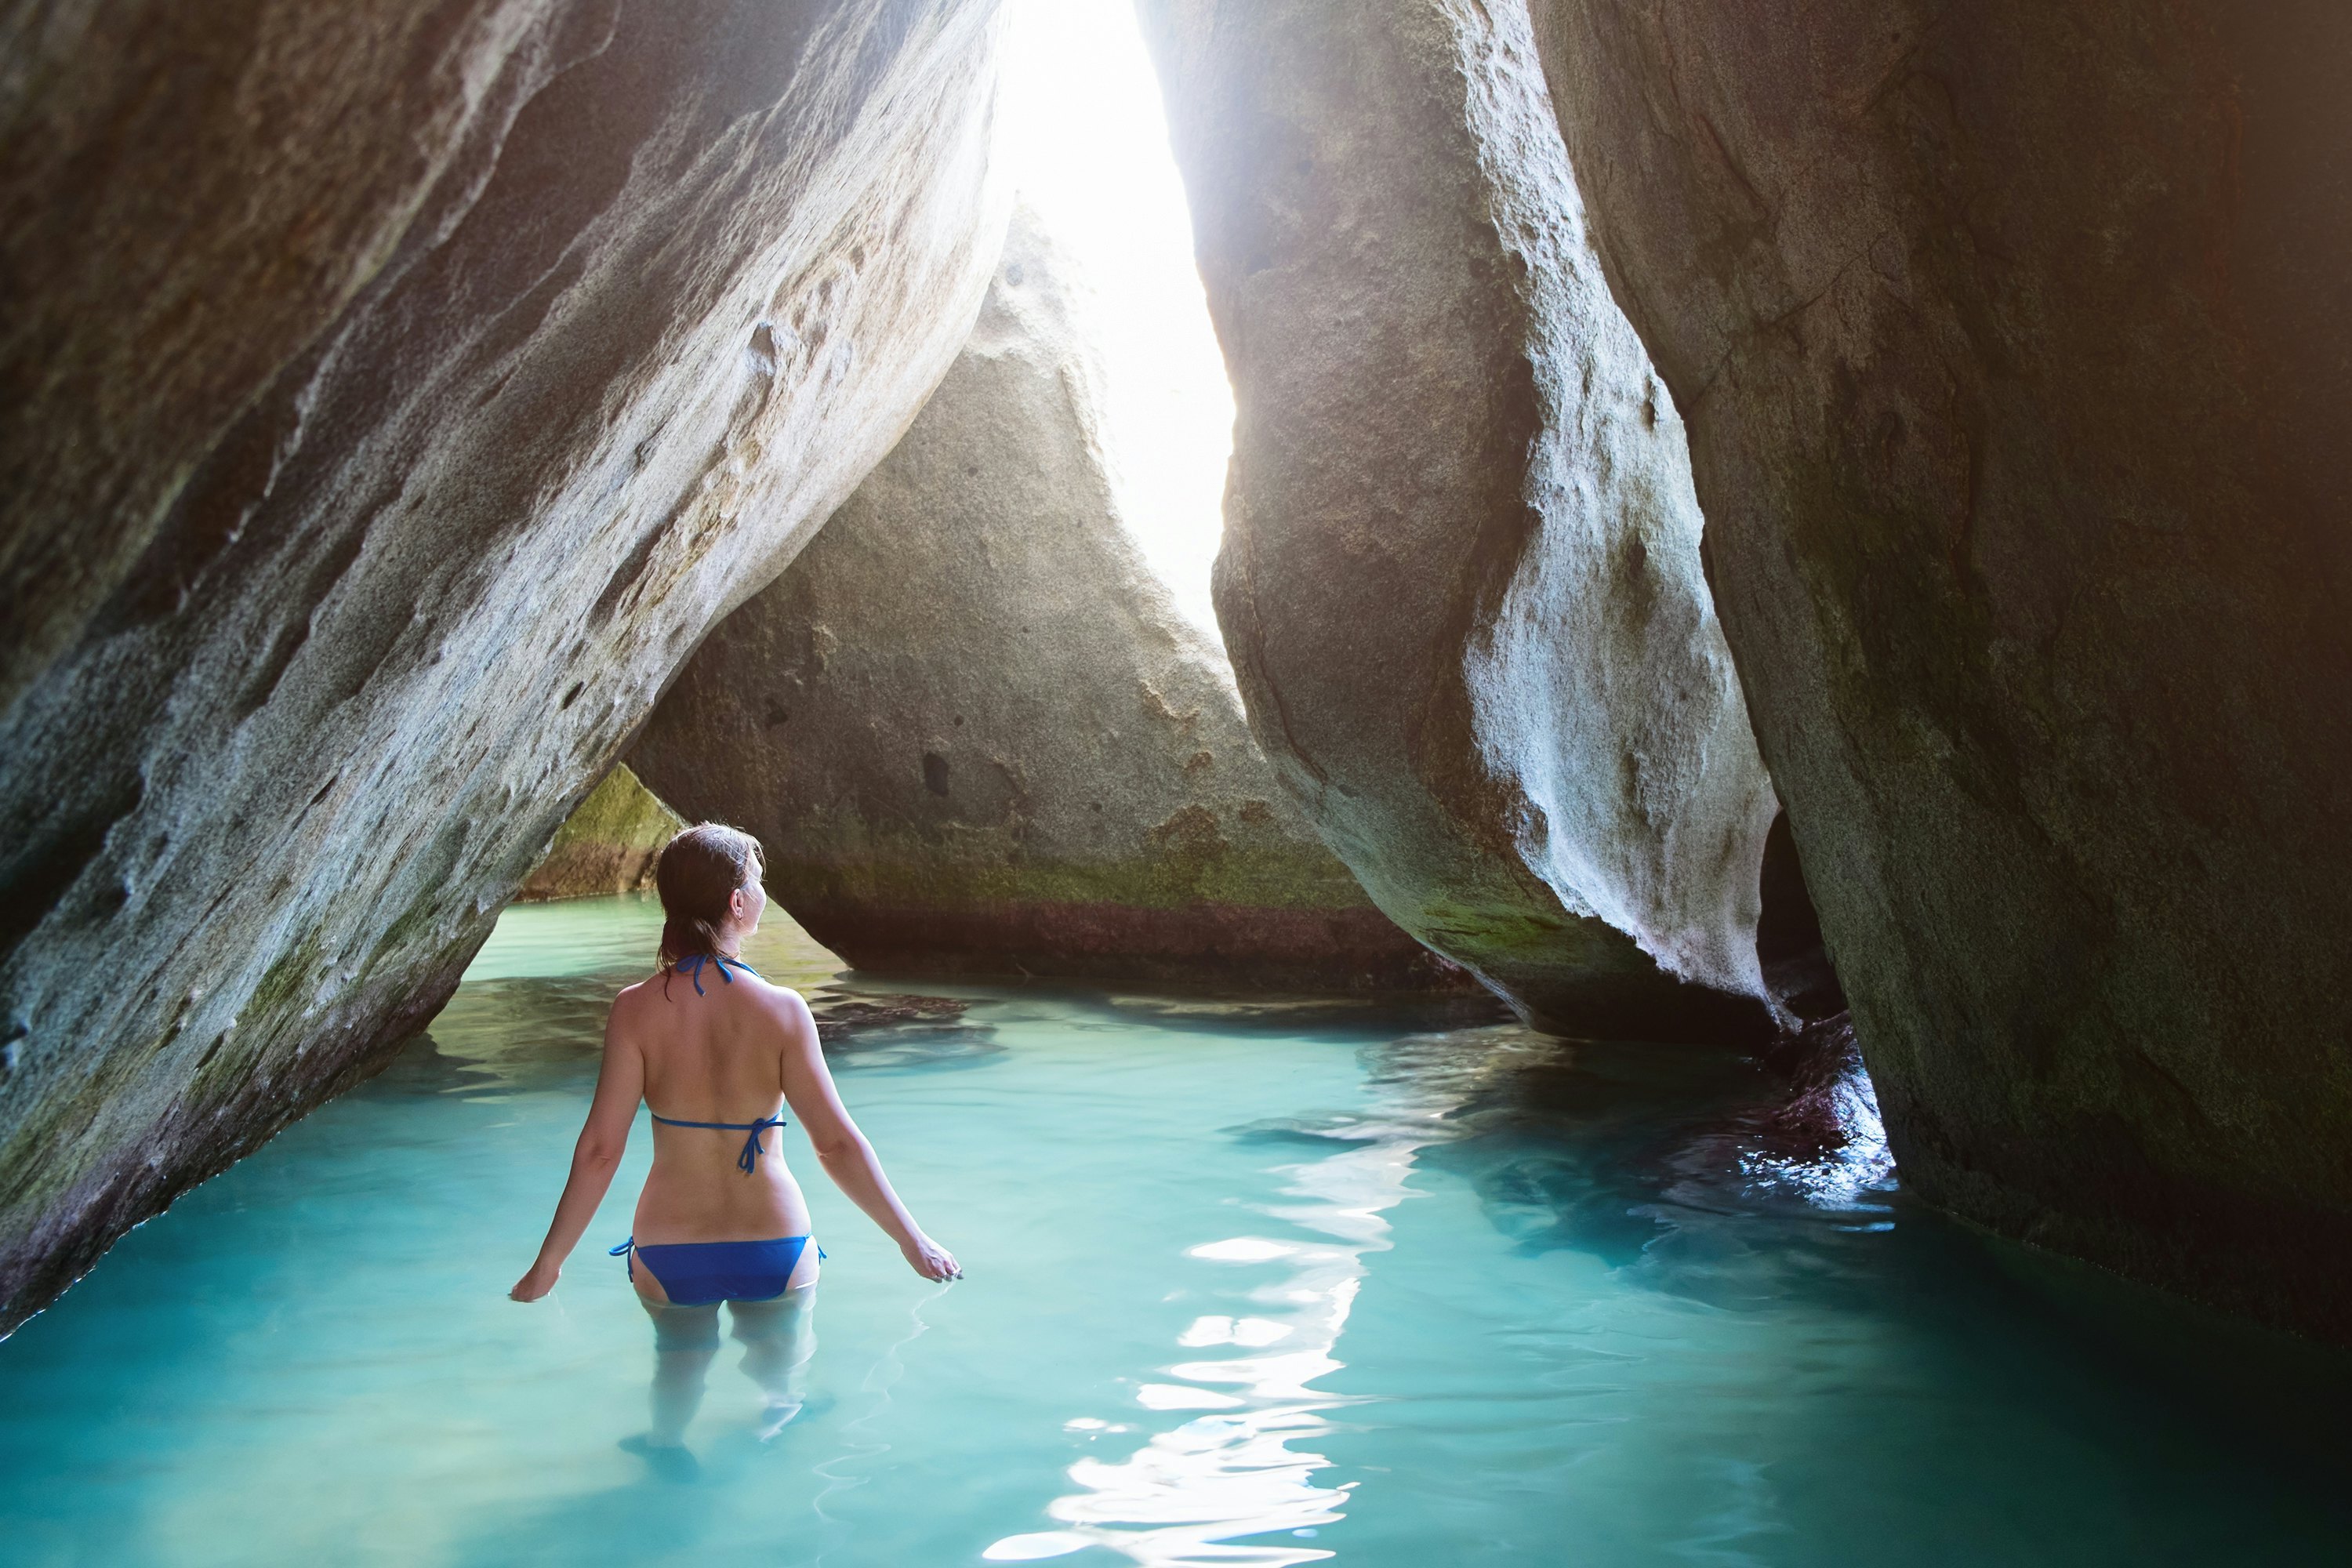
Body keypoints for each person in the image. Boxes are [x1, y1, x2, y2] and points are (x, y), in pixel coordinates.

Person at [510, 822, 959, 1453]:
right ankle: (774, 1427)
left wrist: (548, 1263)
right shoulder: (782, 1010)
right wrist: (913, 1240)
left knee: (679, 1363)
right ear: (737, 903)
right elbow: (836, 1144)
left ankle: (666, 1445)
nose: (762, 891)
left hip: (670, 1248)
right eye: (758, 879)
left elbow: (600, 1150)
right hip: (772, 1243)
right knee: (782, 1381)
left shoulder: (634, 1009)